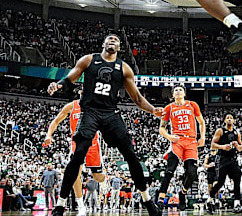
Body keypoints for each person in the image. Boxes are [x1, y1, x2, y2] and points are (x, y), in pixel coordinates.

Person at [47, 34, 163, 216]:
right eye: (109, 39)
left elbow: (138, 98)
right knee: (77, 155)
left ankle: (147, 201)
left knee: (131, 156)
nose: (112, 41)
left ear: (119, 47)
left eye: (116, 40)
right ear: (103, 44)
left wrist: (153, 110)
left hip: (110, 113)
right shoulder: (89, 59)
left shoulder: (124, 68)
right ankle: (60, 205)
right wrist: (59, 85)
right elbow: (71, 77)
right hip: (90, 111)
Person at [44, 91, 107, 216]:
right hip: (76, 144)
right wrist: (48, 135)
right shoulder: (71, 106)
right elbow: (56, 121)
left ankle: (105, 179)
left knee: (98, 177)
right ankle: (81, 206)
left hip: (93, 144)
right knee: (75, 172)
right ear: (79, 92)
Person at [156, 85, 206, 211]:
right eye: (176, 90)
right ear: (172, 95)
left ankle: (182, 194)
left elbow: (201, 122)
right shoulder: (169, 108)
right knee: (170, 170)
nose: (178, 92)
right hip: (177, 140)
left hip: (191, 140)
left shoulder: (192, 105)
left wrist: (203, 137)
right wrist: (169, 137)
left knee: (192, 173)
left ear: (184, 93)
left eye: (180, 90)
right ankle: (160, 199)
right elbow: (161, 128)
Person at [206, 114, 242, 214]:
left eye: (231, 118)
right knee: (220, 182)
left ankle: (237, 204)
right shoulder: (220, 131)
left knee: (237, 178)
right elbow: (212, 145)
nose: (229, 119)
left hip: (233, 159)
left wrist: (237, 145)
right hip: (222, 159)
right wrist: (223, 147)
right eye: (227, 118)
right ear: (224, 120)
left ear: (234, 121)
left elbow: (241, 148)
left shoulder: (237, 132)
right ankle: (209, 200)